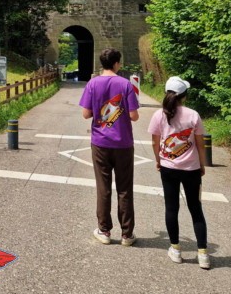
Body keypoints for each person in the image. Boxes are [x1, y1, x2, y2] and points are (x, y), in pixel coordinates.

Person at [147, 76, 211, 269]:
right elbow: (200, 144)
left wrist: (159, 160)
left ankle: (175, 249)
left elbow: (155, 142)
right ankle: (203, 254)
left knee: (171, 208)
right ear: (185, 96)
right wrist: (202, 164)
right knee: (196, 209)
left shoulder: (159, 115)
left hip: (168, 168)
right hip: (191, 169)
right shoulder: (193, 115)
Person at [78, 48, 140, 246]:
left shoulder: (92, 83)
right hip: (123, 143)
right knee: (125, 189)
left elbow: (86, 114)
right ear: (116, 63)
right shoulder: (125, 84)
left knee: (103, 188)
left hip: (100, 143)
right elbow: (134, 116)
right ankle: (127, 235)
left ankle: (104, 231)